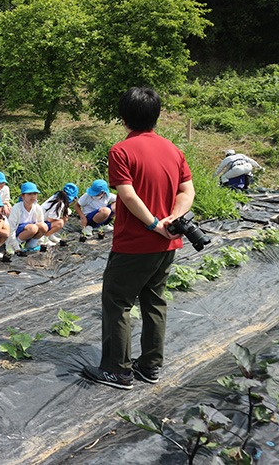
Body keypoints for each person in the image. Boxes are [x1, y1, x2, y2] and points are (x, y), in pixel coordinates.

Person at [83, 87, 194, 391]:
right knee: (154, 301)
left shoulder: (121, 151)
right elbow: (187, 191)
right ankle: (150, 366)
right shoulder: (173, 150)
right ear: (156, 116)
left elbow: (128, 195)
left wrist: (155, 224)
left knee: (117, 301)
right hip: (167, 244)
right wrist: (172, 219)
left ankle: (117, 371)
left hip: (135, 243)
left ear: (124, 117)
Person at [7, 182, 48, 253]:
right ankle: (18, 244)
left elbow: (40, 223)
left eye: (35, 194)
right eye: (29, 194)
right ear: (23, 196)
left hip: (31, 233)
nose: (32, 196)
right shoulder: (17, 208)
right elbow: (11, 229)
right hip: (18, 234)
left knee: (44, 226)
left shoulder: (38, 208)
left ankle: (31, 245)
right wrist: (15, 247)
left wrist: (41, 242)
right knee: (33, 228)